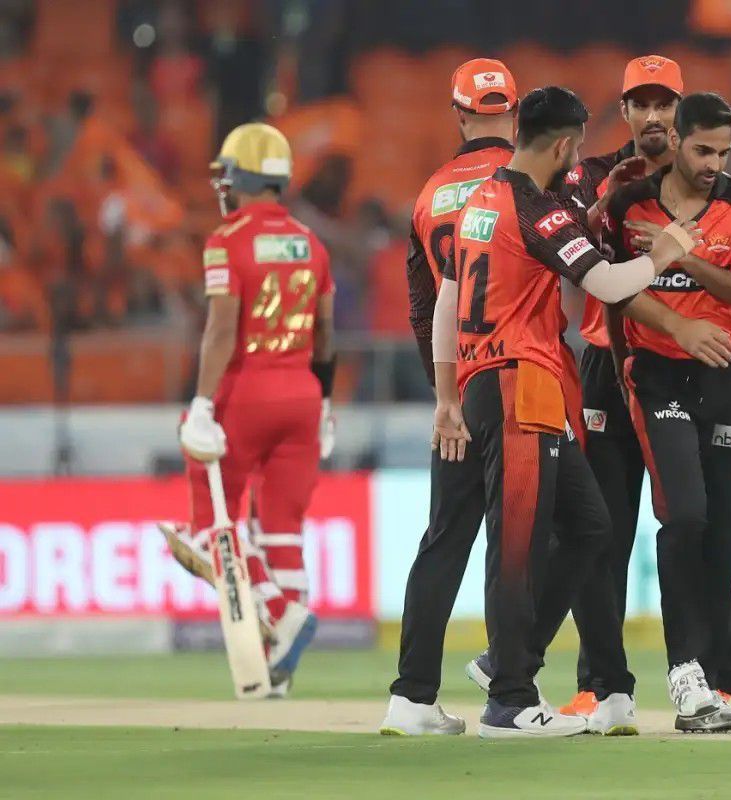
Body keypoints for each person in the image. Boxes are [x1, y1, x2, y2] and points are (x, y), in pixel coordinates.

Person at [426, 86, 700, 738]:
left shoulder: (477, 204)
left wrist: (445, 393)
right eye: (574, 145)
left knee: (589, 526)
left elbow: (446, 297)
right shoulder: (537, 211)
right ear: (561, 144)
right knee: (517, 544)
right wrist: (662, 254)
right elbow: (604, 283)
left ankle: (506, 664)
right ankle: (511, 702)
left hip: (490, 381)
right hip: (523, 384)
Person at [605, 92, 731, 732]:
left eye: (723, 151)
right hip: (658, 378)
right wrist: (677, 326)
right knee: (684, 515)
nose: (713, 163)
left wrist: (687, 259)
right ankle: (685, 675)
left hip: (728, 378)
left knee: (722, 535)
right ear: (675, 139)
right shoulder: (629, 205)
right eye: (702, 149)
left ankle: (725, 679)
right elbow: (619, 292)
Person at [555, 53, 720, 720]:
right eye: (640, 103)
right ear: (622, 112)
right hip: (602, 363)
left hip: (673, 369)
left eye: (664, 103)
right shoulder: (592, 175)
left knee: (686, 518)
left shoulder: (707, 182)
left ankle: (691, 673)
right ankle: (602, 684)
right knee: (604, 531)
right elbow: (564, 254)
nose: (653, 115)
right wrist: (604, 203)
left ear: (681, 111)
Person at [158, 123, 337, 696]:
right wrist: (327, 398)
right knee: (283, 530)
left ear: (240, 177)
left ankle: (282, 617)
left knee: (213, 522)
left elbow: (219, 331)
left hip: (246, 392)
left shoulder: (226, 238)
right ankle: (278, 669)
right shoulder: (312, 242)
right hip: (304, 393)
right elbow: (327, 331)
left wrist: (203, 403)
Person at [381, 57, 519, 737]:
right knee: (522, 529)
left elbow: (421, 303)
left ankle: (410, 696)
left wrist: (446, 394)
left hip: (457, 382)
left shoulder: (428, 194)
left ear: (459, 114)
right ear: (513, 115)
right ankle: (512, 686)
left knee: (444, 538)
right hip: (520, 373)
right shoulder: (524, 183)